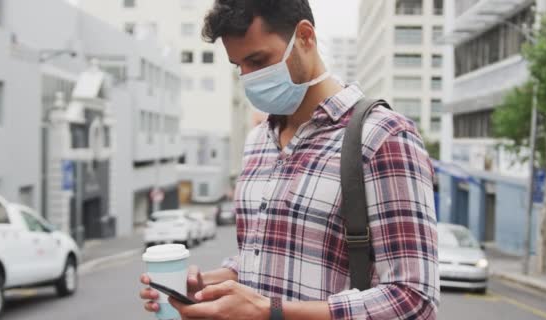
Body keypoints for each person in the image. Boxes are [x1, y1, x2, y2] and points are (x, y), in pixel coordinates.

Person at [140, 0, 440, 319]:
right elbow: (263, 256)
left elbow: (415, 300)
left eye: (258, 60)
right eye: (238, 66)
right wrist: (209, 287)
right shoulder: (258, 141)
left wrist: (273, 312)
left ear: (305, 37)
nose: (248, 78)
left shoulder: (384, 137)